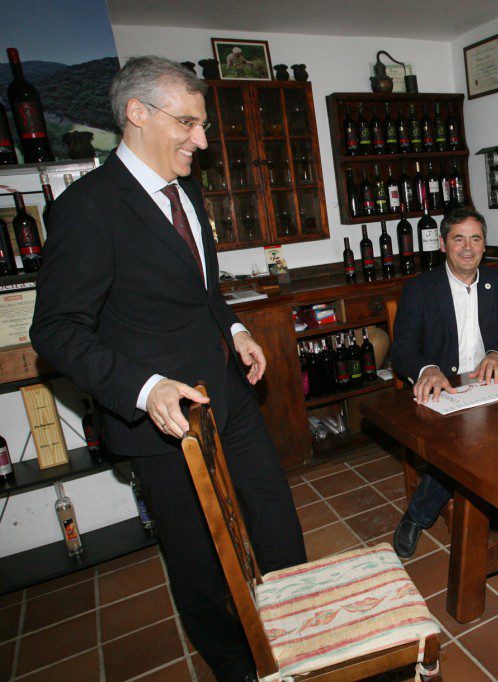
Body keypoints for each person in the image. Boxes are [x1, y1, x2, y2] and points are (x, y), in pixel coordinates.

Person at [30, 56, 305, 680]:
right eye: (188, 124)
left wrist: (233, 329)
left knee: (276, 520)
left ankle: (296, 640)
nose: (202, 141)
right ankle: (238, 669)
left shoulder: (188, 189)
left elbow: (199, 289)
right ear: (137, 114)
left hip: (227, 395)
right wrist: (143, 386)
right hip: (163, 421)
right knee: (200, 559)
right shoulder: (87, 209)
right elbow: (54, 329)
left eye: (203, 126)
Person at [390, 206, 498, 558]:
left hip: (488, 386)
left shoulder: (496, 282)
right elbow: (402, 348)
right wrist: (428, 370)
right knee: (463, 448)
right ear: (443, 244)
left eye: (475, 239)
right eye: (458, 239)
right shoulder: (420, 289)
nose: (467, 247)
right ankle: (417, 516)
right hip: (445, 390)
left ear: (484, 246)